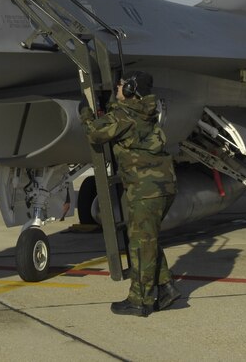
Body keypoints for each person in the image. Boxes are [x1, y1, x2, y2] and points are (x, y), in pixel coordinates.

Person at [80, 73, 179, 316]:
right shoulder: (144, 111)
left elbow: (94, 133)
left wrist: (84, 112)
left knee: (139, 245)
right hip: (163, 186)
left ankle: (140, 300)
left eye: (122, 85)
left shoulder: (124, 116)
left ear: (132, 89)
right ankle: (165, 287)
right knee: (148, 240)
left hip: (144, 190)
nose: (118, 87)